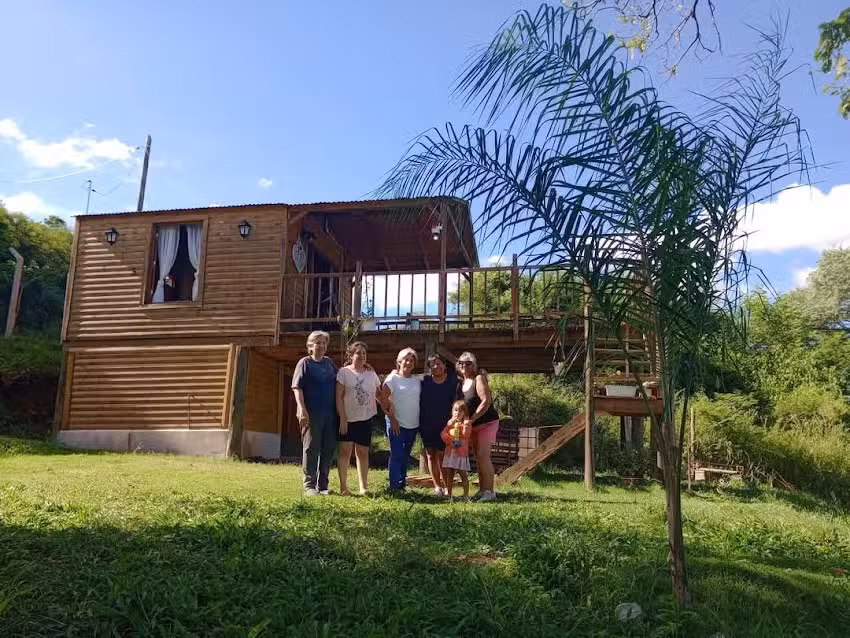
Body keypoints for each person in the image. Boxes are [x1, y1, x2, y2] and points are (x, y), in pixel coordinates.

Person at [291, 331, 338, 496]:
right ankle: (309, 486)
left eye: (324, 343)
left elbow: (341, 380)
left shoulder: (329, 363)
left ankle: (323, 486)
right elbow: (297, 387)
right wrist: (301, 408)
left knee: (328, 448)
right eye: (318, 342)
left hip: (330, 414)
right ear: (310, 346)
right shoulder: (304, 363)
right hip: (312, 413)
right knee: (311, 447)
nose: (322, 346)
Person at [336, 341, 383, 496]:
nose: (362, 356)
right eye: (358, 353)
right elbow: (338, 396)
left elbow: (379, 394)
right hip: (347, 419)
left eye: (364, 353)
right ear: (350, 355)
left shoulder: (371, 373)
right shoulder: (343, 372)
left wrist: (390, 408)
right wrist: (342, 418)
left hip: (365, 418)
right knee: (345, 451)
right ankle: (344, 487)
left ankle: (363, 487)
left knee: (362, 452)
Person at [457, 351, 499, 502]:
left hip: (486, 422)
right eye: (461, 363)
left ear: (473, 365)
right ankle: (482, 490)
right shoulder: (461, 383)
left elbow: (486, 401)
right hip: (472, 425)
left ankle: (490, 492)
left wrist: (472, 418)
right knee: (478, 457)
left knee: (483, 455)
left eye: (468, 363)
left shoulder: (479, 378)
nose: (464, 365)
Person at [419, 354, 458, 497]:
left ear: (445, 365)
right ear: (429, 368)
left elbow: (458, 403)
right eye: (433, 364)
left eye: (439, 363)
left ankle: (447, 487)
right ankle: (437, 487)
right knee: (430, 455)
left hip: (446, 426)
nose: (436, 366)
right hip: (427, 423)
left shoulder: (453, 382)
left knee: (442, 456)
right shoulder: (424, 381)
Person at [383, 347, 421, 491]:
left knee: (405, 455)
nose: (409, 363)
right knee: (397, 454)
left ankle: (401, 483)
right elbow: (383, 398)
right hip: (396, 423)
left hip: (413, 424)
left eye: (412, 360)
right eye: (406, 360)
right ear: (399, 361)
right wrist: (392, 419)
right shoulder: (392, 378)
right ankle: (393, 486)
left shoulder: (417, 381)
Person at [441, 400, 471, 500]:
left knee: (463, 474)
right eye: (456, 410)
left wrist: (465, 425)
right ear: (452, 411)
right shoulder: (450, 424)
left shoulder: (466, 425)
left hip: (461, 454)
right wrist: (450, 441)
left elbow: (466, 436)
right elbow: (443, 434)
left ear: (465, 414)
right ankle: (449, 495)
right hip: (451, 453)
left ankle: (466, 495)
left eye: (461, 411)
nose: (457, 413)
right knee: (450, 474)